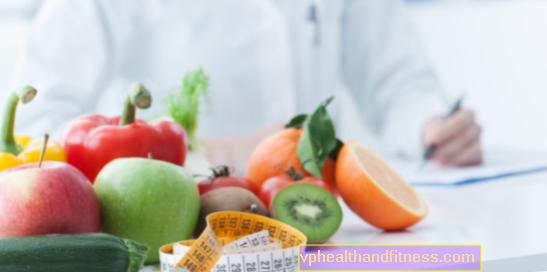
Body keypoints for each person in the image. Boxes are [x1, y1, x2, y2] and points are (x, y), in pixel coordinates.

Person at [10, 0, 482, 174]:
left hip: (319, 224)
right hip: (185, 238)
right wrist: (209, 156)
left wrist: (431, 126)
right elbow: (38, 127)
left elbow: (396, 80)